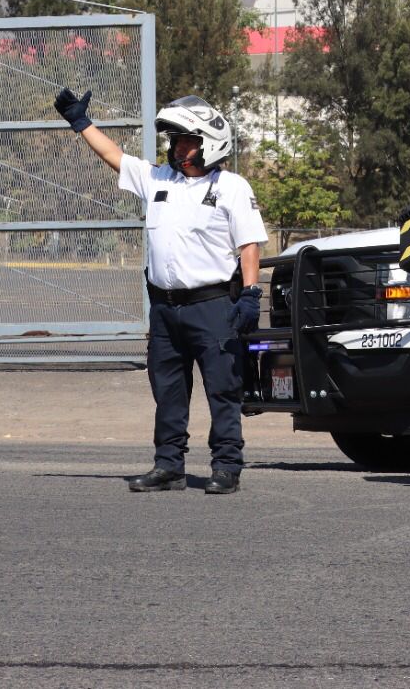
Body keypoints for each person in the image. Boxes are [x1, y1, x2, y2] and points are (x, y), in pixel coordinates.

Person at [55, 88, 267, 495]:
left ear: (209, 143)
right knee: (168, 390)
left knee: (223, 389)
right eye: (175, 140)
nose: (176, 147)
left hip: (213, 306)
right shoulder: (157, 179)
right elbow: (114, 156)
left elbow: (249, 245)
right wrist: (81, 123)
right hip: (165, 309)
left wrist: (250, 294)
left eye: (185, 141)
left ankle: (226, 467)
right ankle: (169, 466)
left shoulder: (232, 187)